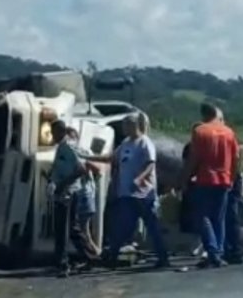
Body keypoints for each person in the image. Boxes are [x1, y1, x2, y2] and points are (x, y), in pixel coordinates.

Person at [103, 114, 170, 269]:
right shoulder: (125, 144)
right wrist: (91, 157)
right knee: (122, 226)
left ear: (134, 126)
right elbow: (113, 158)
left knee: (152, 226)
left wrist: (140, 179)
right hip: (126, 193)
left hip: (143, 194)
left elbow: (150, 164)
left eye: (126, 126)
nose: (123, 129)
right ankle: (112, 256)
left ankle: (163, 257)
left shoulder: (145, 143)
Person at [181, 102, 239, 269]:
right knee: (218, 219)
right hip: (224, 179)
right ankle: (218, 252)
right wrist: (232, 177)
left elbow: (194, 159)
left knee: (203, 217)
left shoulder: (200, 132)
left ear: (204, 115)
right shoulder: (228, 132)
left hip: (205, 179)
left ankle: (212, 251)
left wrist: (185, 178)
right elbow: (236, 157)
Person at [48, 120, 98, 276]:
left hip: (68, 193)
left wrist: (62, 184)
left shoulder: (68, 147)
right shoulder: (61, 148)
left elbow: (81, 169)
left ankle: (63, 264)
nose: (52, 135)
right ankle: (89, 257)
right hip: (64, 193)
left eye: (54, 132)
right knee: (71, 229)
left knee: (62, 230)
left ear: (61, 132)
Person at [64, 126, 102, 259]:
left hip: (83, 195)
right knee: (83, 230)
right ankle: (93, 254)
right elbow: (96, 170)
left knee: (83, 230)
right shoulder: (82, 150)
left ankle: (94, 255)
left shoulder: (75, 151)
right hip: (86, 194)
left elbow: (87, 168)